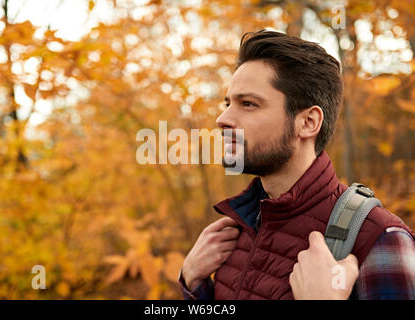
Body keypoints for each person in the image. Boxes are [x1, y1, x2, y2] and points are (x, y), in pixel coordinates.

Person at [178, 30, 415, 300]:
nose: (222, 118)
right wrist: (195, 284)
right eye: (227, 103)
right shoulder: (237, 229)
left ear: (308, 123)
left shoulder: (379, 239)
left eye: (248, 104)